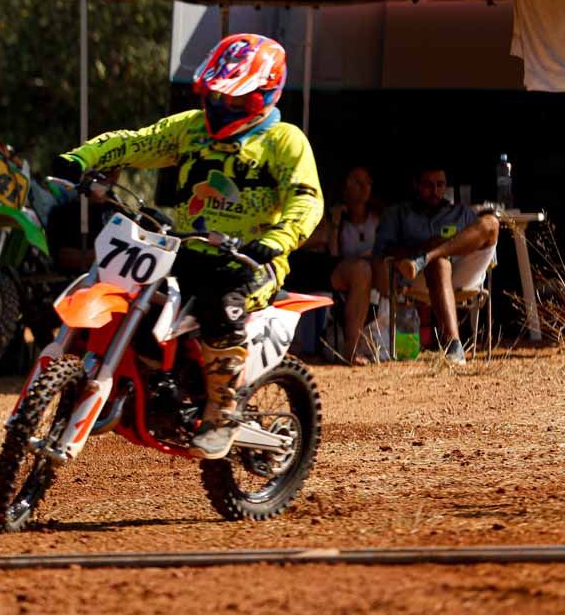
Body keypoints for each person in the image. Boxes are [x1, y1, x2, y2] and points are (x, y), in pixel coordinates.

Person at [51, 33, 323, 459]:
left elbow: (306, 199)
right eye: (214, 94)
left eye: (232, 99)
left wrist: (275, 240)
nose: (219, 105)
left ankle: (221, 412)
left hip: (251, 262)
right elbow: (136, 141)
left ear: (263, 95)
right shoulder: (191, 128)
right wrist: (83, 159)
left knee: (221, 306)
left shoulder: (284, 141)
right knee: (131, 291)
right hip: (185, 251)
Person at [373, 163, 499, 365]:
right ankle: (453, 345)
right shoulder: (398, 214)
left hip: (461, 273)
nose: (435, 191)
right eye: (428, 185)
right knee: (439, 263)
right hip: (418, 278)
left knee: (491, 223)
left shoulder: (460, 213)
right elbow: (383, 250)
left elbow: (485, 246)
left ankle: (429, 255)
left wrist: (431, 251)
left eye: (440, 185)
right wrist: (421, 248)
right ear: (416, 185)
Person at [286, 166, 381, 365]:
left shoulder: (376, 218)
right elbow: (321, 240)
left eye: (368, 183)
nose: (364, 188)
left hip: (320, 265)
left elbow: (329, 249)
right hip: (282, 257)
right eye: (357, 182)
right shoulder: (323, 209)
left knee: (361, 270)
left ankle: (350, 351)